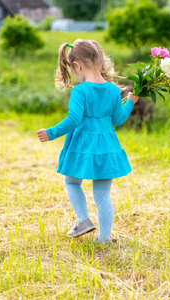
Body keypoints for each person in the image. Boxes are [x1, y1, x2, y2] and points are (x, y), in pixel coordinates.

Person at [37, 39, 139, 244]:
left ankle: (83, 220)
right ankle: (104, 239)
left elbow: (74, 120)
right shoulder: (112, 89)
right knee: (102, 195)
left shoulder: (80, 91)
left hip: (83, 144)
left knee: (72, 181)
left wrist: (51, 132)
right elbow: (118, 119)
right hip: (106, 146)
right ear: (101, 61)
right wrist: (130, 102)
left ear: (77, 65)